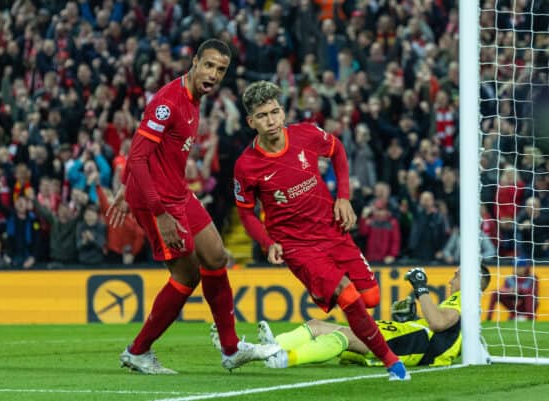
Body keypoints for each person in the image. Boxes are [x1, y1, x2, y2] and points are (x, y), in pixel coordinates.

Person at [106, 39, 279, 374]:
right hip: (158, 200)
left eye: (221, 70)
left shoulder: (193, 99)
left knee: (216, 255)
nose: (213, 74)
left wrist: (125, 187)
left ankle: (231, 349)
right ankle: (138, 351)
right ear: (195, 61)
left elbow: (146, 151)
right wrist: (157, 211)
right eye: (209, 65)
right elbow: (138, 155)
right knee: (186, 275)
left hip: (178, 192)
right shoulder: (167, 103)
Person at [232, 81, 410, 380]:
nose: (272, 120)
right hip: (296, 245)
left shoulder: (306, 134)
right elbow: (246, 212)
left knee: (371, 298)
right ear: (251, 122)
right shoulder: (246, 166)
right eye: (262, 116)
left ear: (283, 111)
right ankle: (393, 363)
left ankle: (293, 338)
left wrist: (343, 196)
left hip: (332, 230)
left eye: (275, 112)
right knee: (347, 294)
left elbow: (338, 150)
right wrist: (267, 242)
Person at [212, 265, 490, 368]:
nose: (454, 276)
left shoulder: (466, 297)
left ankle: (282, 357)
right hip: (409, 336)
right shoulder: (466, 306)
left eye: (458, 273)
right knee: (316, 324)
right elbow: (449, 329)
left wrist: (420, 287)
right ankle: (269, 347)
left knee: (341, 336)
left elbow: (439, 323)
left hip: (412, 342)